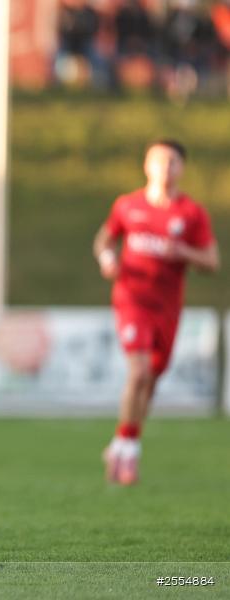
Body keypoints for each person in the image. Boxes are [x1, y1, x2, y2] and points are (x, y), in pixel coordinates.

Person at [93, 139, 219, 486]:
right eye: (159, 161)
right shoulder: (127, 205)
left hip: (168, 307)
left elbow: (212, 261)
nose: (165, 168)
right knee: (139, 372)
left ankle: (121, 442)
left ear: (182, 168)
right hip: (132, 299)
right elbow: (104, 239)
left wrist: (183, 252)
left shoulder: (191, 214)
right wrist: (107, 260)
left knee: (150, 380)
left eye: (173, 162)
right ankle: (129, 453)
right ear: (146, 166)